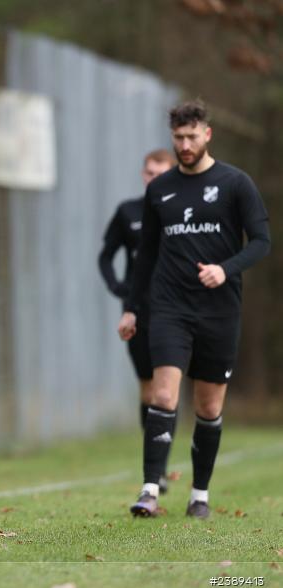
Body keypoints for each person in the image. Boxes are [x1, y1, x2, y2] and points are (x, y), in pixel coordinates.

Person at [118, 100, 270, 518]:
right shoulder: (160, 189)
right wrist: (132, 309)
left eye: (191, 137)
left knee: (208, 407)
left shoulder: (235, 183)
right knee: (163, 394)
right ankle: (150, 490)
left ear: (207, 134)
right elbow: (146, 256)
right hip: (169, 308)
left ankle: (199, 495)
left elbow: (261, 241)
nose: (185, 145)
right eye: (178, 138)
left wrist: (226, 269)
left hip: (220, 311)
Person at [99, 149, 176, 492]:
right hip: (138, 312)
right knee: (149, 387)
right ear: (143, 174)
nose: (153, 178)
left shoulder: (182, 211)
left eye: (161, 173)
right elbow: (105, 256)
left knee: (166, 388)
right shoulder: (128, 212)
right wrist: (119, 288)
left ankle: (159, 468)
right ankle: (157, 465)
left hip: (175, 310)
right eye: (149, 172)